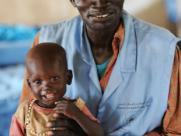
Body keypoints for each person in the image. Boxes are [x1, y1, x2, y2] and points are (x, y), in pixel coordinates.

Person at [20, 0, 181, 135]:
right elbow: (29, 121)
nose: (99, 2)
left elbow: (176, 131)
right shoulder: (45, 43)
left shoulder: (165, 49)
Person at [10, 43, 103, 136]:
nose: (46, 87)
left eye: (54, 79)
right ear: (30, 85)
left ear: (68, 77)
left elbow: (99, 133)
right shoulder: (25, 112)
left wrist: (76, 114)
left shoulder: (76, 107)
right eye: (38, 81)